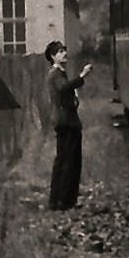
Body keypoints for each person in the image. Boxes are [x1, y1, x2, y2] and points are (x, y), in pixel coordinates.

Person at [45, 40, 92, 211]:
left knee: (68, 160)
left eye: (64, 50)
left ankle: (62, 200)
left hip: (67, 120)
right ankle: (63, 201)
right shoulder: (55, 74)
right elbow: (64, 88)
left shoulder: (59, 73)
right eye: (59, 51)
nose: (64, 53)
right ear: (52, 57)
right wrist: (82, 76)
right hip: (66, 121)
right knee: (68, 161)